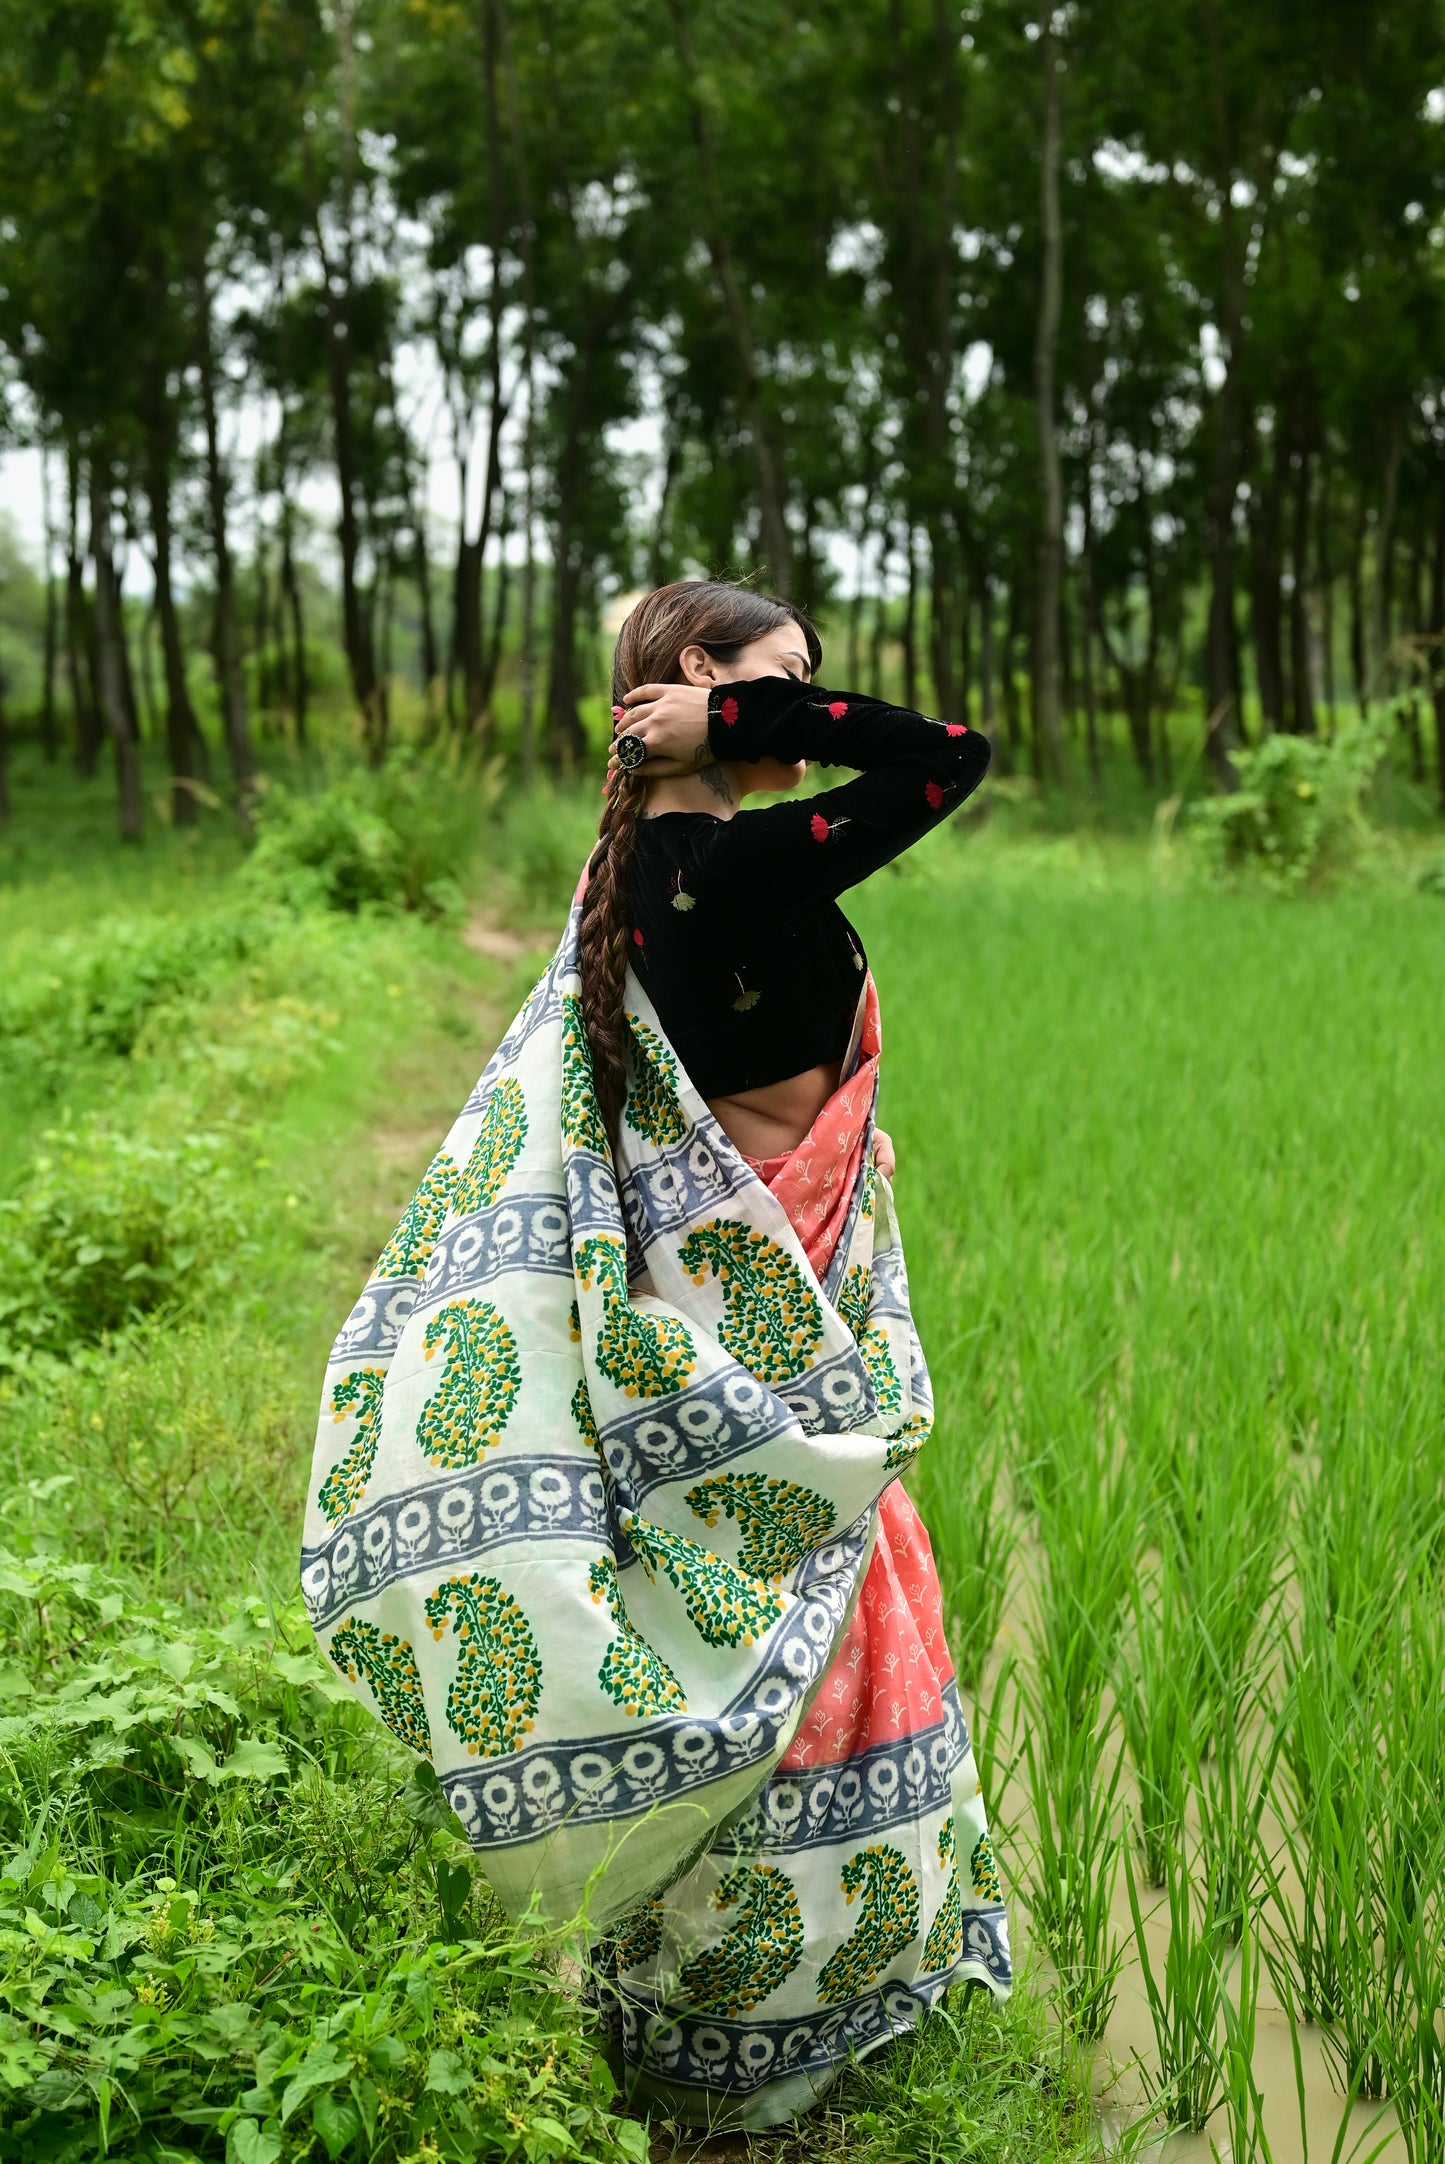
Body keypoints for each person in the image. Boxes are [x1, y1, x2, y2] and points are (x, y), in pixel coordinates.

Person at [301, 578, 1009, 2142]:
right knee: (807, 1611)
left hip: (733, 1292)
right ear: (698, 676)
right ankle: (782, 2005)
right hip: (774, 1297)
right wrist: (737, 723)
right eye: (781, 679)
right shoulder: (731, 864)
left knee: (732, 1607)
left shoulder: (629, 872)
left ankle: (684, 1997)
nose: (803, 713)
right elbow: (950, 755)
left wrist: (722, 718)